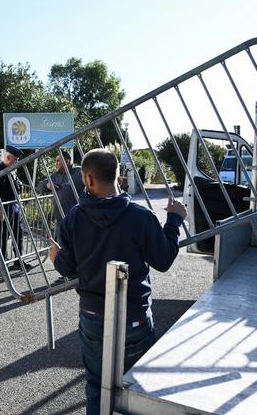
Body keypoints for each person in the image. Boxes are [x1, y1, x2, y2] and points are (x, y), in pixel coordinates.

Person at [48, 148, 187, 415]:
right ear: (118, 176)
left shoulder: (73, 220)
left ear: (87, 179)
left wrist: (55, 256)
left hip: (92, 315)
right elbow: (164, 259)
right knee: (136, 389)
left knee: (96, 386)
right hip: (134, 316)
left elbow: (68, 268)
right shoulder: (140, 216)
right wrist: (174, 219)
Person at [0, 145, 32, 271]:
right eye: (15, 159)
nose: (17, 162)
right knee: (3, 236)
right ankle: (4, 262)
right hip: (4, 208)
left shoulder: (12, 170)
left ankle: (19, 260)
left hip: (15, 207)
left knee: (18, 234)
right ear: (8, 157)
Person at [36, 151, 84, 223]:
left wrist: (59, 187)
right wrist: (47, 186)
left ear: (67, 161)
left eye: (58, 161)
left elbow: (70, 188)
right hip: (60, 218)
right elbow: (39, 187)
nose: (56, 163)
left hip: (76, 216)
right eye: (56, 161)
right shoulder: (55, 176)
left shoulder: (78, 171)